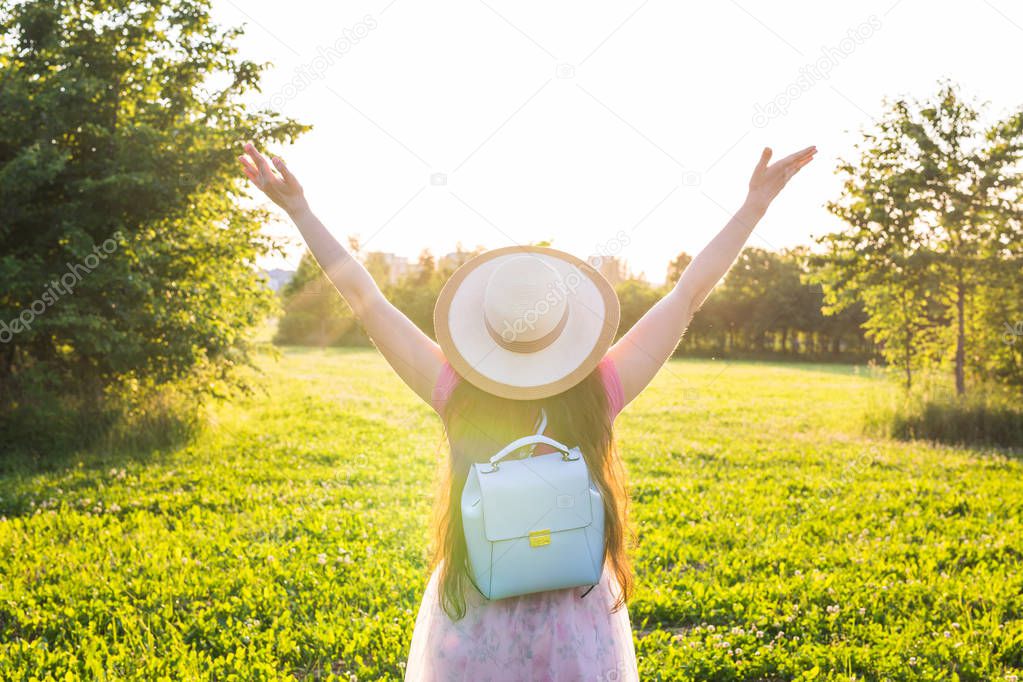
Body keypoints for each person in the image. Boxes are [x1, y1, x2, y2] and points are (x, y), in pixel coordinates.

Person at [238, 141, 815, 680]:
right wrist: (752, 207)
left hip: (474, 622)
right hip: (576, 624)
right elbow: (686, 295)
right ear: (567, 328)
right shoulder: (599, 390)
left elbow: (367, 303)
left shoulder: (455, 391)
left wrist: (302, 212)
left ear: (481, 329)